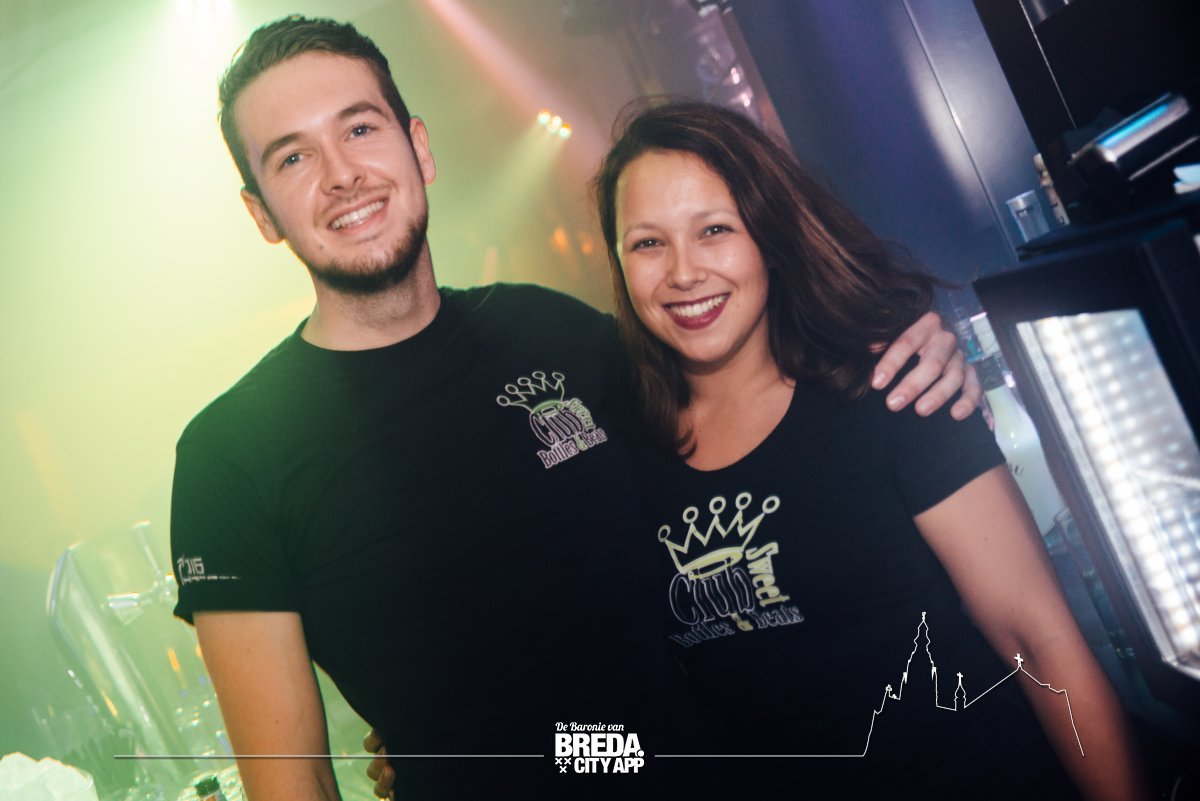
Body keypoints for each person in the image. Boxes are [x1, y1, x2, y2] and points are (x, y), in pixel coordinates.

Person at [169, 17, 977, 801]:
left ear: (419, 147)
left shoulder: (551, 330)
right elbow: (292, 781)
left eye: (359, 129)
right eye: (293, 157)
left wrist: (890, 350)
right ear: (261, 213)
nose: (342, 173)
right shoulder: (230, 456)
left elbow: (747, 394)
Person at [585, 99, 1150, 800]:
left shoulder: (896, 389)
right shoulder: (618, 449)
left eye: (715, 230)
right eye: (648, 243)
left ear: (768, 234)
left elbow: (1040, 639)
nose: (683, 272)